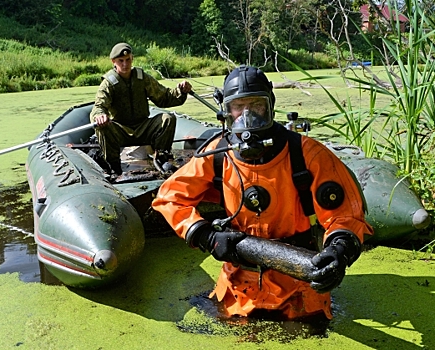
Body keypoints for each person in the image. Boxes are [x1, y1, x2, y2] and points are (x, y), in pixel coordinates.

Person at [152, 65, 373, 320]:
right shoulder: (218, 155)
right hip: (237, 291)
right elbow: (170, 197)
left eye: (256, 106)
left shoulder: (307, 155)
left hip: (300, 290)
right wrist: (206, 235)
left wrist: (338, 253)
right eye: (238, 107)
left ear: (270, 106)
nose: (247, 117)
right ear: (227, 111)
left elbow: (347, 216)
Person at [89, 42, 192, 175]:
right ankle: (114, 167)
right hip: (121, 130)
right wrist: (100, 115)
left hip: (144, 127)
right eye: (121, 61)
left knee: (168, 118)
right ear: (113, 62)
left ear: (132, 58)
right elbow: (99, 106)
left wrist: (181, 91)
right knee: (103, 126)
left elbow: (163, 97)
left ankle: (161, 159)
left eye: (128, 60)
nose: (125, 64)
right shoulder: (108, 84)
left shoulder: (142, 78)